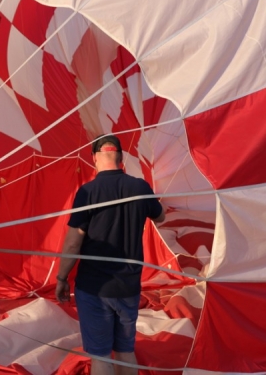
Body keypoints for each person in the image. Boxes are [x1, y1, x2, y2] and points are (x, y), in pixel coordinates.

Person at [55, 134, 165, 375]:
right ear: (121, 158)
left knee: (100, 356)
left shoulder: (88, 192)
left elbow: (73, 244)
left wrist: (62, 278)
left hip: (95, 288)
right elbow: (160, 215)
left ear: (94, 158)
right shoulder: (139, 187)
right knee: (126, 351)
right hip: (128, 286)